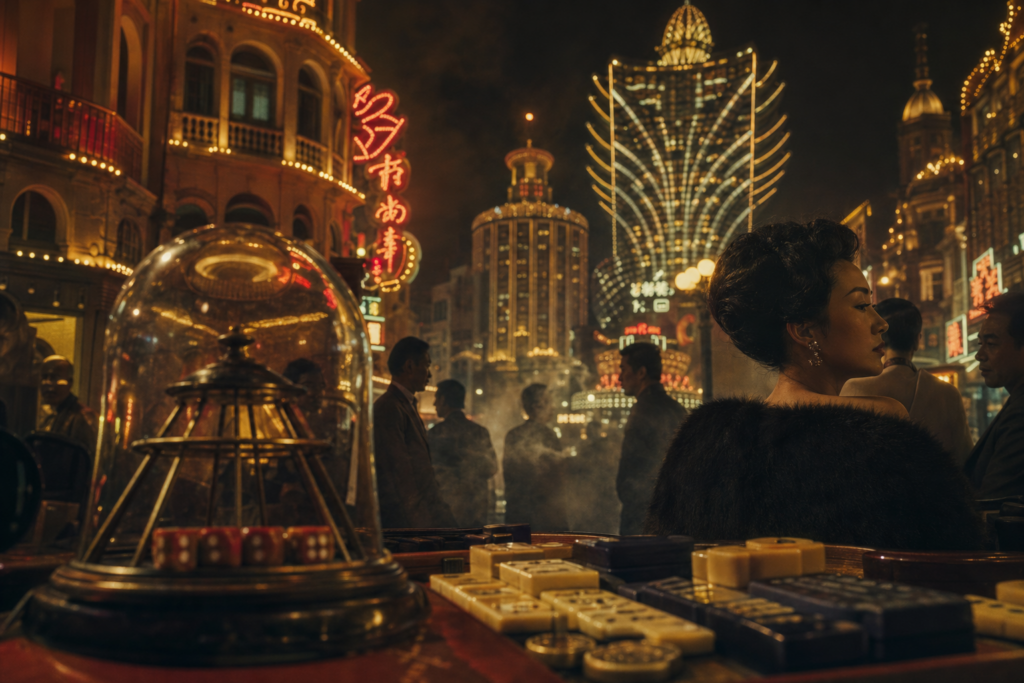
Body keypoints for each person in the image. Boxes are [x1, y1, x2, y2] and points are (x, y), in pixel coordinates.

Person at [644, 219, 983, 550]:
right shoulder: (879, 425)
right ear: (804, 330)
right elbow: (955, 551)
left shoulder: (706, 441)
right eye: (861, 305)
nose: (880, 324)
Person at [842, 298, 973, 465]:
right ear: (918, 340)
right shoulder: (947, 394)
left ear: (879, 338)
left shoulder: (853, 390)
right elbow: (965, 461)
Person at [373, 337, 456, 528]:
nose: (429, 375)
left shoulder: (404, 405)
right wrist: (419, 523)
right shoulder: (389, 408)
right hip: (406, 523)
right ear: (409, 366)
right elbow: (399, 474)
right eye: (426, 366)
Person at [616, 342, 687, 535]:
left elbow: (631, 474)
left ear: (641, 373)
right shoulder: (676, 408)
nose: (620, 377)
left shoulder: (643, 410)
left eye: (623, 369)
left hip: (643, 519)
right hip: (676, 516)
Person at [963, 293, 1024, 500]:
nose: (979, 355)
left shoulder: (1020, 415)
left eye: (991, 344)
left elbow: (994, 503)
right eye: (981, 344)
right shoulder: (1015, 403)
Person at [427, 379, 498, 527]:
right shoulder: (479, 432)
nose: (434, 404)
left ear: (443, 400)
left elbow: (427, 474)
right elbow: (492, 467)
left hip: (448, 511)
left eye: (436, 399)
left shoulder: (436, 433)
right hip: (476, 511)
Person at [503, 383, 568, 532]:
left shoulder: (513, 435)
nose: (553, 407)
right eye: (549, 402)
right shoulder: (548, 435)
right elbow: (556, 478)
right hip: (544, 517)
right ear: (537, 406)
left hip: (517, 515)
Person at [567, 421, 620, 534]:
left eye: (592, 430)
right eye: (589, 430)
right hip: (597, 496)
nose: (590, 433)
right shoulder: (590, 448)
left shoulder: (598, 448)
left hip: (601, 495)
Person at [38, 355, 97, 453]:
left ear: (70, 382)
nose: (47, 383)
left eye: (54, 377)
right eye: (44, 377)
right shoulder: (49, 415)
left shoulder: (83, 418)